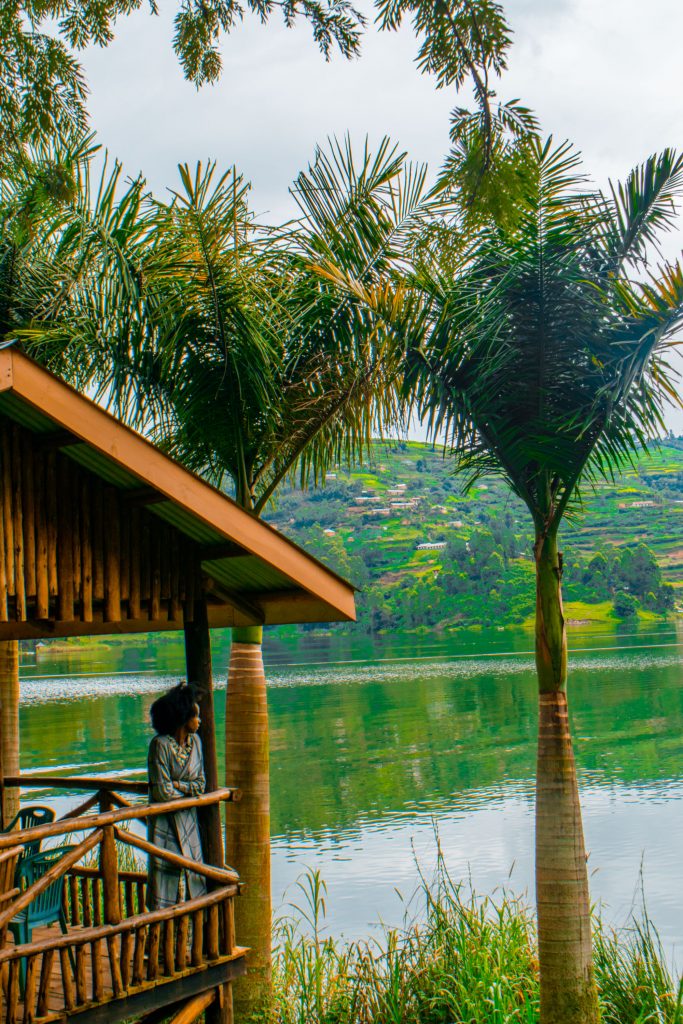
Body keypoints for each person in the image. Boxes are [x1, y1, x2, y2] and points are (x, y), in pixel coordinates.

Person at [146, 682, 207, 909]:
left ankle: (190, 936)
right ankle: (163, 937)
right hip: (165, 822)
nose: (199, 722)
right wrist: (186, 789)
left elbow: (200, 784)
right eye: (195, 716)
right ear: (183, 718)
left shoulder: (196, 744)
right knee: (166, 877)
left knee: (192, 876)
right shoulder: (160, 746)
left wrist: (177, 785)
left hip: (188, 820)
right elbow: (162, 792)